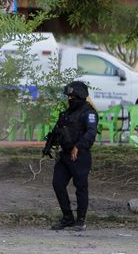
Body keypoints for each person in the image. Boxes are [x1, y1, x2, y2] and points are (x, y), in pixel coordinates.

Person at [42, 80, 98, 231]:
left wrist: (78, 147)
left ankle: (80, 220)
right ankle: (67, 218)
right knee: (58, 184)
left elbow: (91, 133)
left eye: (72, 96)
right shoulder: (67, 113)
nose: (69, 99)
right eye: (68, 96)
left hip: (80, 156)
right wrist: (48, 146)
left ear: (80, 96)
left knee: (81, 187)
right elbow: (57, 130)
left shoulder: (89, 113)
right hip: (65, 156)